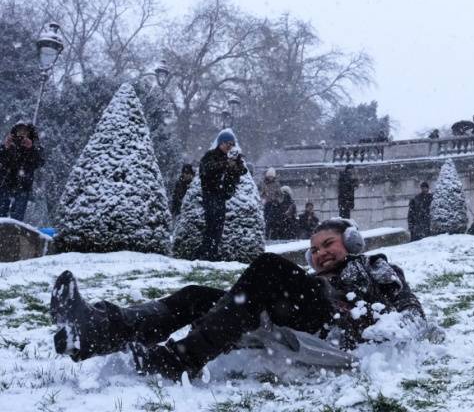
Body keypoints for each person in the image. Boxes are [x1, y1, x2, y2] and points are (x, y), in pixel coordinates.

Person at [50, 219, 426, 381]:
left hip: (333, 326)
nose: (321, 253)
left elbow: (411, 311)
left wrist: (388, 332)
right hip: (294, 319)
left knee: (266, 266)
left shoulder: (372, 266)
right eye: (314, 248)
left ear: (353, 242)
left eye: (329, 243)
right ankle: (100, 331)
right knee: (198, 295)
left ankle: (181, 359)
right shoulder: (310, 280)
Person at [197, 130, 248, 260]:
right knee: (212, 224)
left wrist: (236, 163)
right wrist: (226, 164)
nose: (229, 147)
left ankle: (213, 252)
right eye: (227, 143)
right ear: (220, 143)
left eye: (232, 144)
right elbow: (207, 169)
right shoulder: (210, 155)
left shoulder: (230, 157)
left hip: (221, 195)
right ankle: (206, 253)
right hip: (210, 193)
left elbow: (242, 171)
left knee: (219, 225)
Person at [0, 122, 44, 220]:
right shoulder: (9, 144)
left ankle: (13, 234)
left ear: (29, 133)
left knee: (17, 217)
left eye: (25, 132)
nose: (21, 134)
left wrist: (31, 148)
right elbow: (2, 162)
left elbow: (39, 163)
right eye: (19, 131)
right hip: (5, 183)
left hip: (23, 185)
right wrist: (5, 148)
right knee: (1, 214)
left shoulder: (35, 147)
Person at [260, 168, 283, 236]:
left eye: (272, 176)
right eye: (269, 176)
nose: (270, 178)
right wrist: (263, 199)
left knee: (274, 220)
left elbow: (280, 194)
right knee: (267, 219)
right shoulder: (264, 184)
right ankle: (266, 234)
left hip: (275, 204)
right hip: (267, 203)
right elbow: (262, 193)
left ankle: (274, 234)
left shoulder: (276, 184)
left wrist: (277, 200)